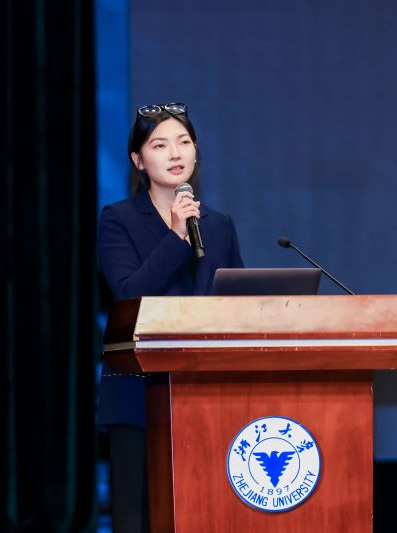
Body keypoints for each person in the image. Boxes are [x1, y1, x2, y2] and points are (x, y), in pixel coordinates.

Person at [98, 102, 244, 532]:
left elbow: (238, 300)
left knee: (204, 510)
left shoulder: (219, 224)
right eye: (160, 145)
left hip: (205, 389)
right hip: (139, 391)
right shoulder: (118, 219)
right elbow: (128, 294)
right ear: (138, 161)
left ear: (196, 152)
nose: (175, 153)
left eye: (184, 142)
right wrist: (178, 235)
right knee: (139, 515)